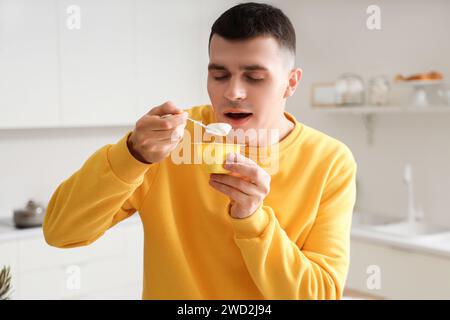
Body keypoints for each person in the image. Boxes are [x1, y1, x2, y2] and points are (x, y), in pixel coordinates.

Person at [43, 2, 357, 299]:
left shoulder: (330, 161)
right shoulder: (167, 141)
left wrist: (253, 220)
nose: (232, 92)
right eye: (219, 75)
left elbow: (321, 292)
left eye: (254, 77)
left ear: (290, 83)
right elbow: (61, 232)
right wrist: (132, 156)